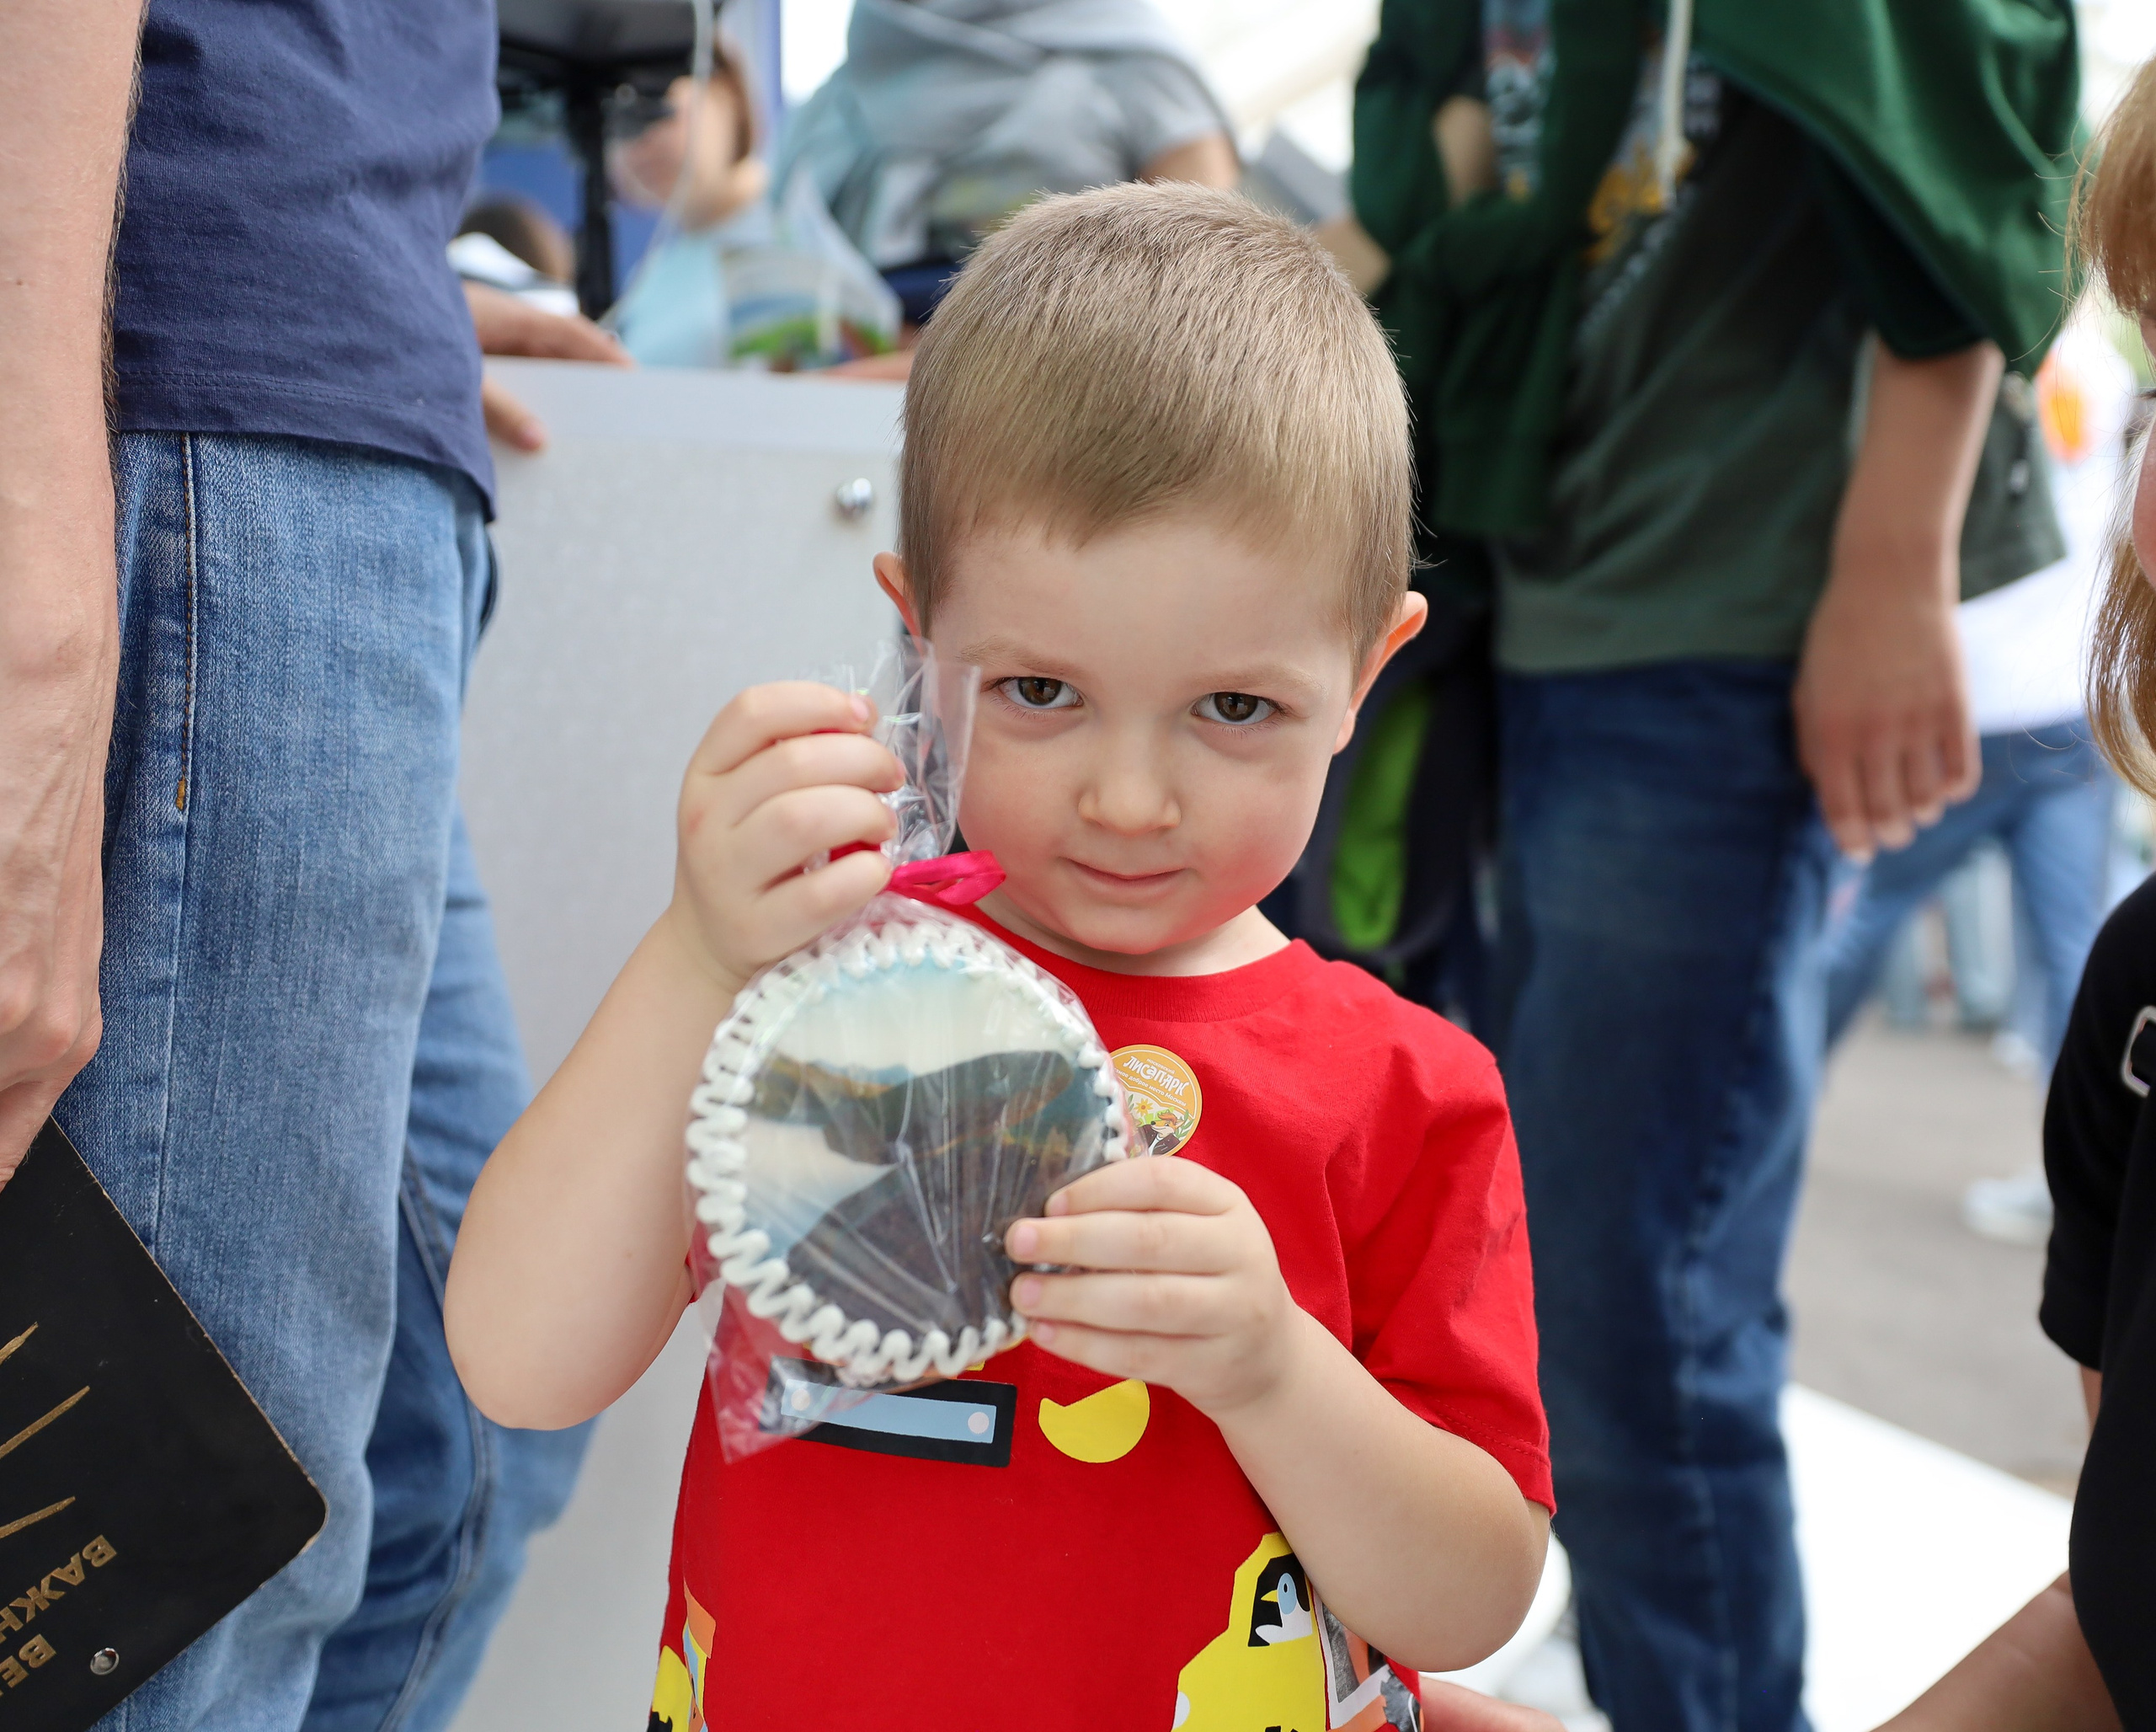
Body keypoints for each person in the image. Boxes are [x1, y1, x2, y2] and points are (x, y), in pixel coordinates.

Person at [442, 183, 1555, 1729]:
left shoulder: (1406, 1091)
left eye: (1235, 709)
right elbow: (518, 1362)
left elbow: (1476, 1594)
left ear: (1368, 667)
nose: (1129, 795)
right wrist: (696, 956)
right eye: (1039, 690)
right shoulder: (832, 986)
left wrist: (1271, 1369)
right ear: (921, 639)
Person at [1340, 4, 2081, 1729]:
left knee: (1635, 1310)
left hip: (1718, 598)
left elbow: (1959, 132)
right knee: (1506, 1255)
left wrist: (1893, 560)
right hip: (1519, 574)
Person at [0, 3, 620, 1728]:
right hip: (182, 417)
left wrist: (366, 255)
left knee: (467, 1433)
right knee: (161, 1595)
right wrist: (43, 584)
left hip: (281, 359)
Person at [776, 0, 1239, 337]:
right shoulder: (836, 102)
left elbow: (1200, 281)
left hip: (1056, 388)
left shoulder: (1140, 65)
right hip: (845, 399)